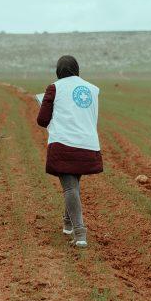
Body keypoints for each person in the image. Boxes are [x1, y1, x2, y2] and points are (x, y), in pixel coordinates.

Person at [36, 55, 103, 248]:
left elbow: (42, 120)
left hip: (64, 144)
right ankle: (67, 224)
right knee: (73, 185)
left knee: (70, 188)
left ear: (58, 71)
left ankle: (80, 233)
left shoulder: (54, 88)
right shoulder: (92, 89)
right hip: (88, 145)